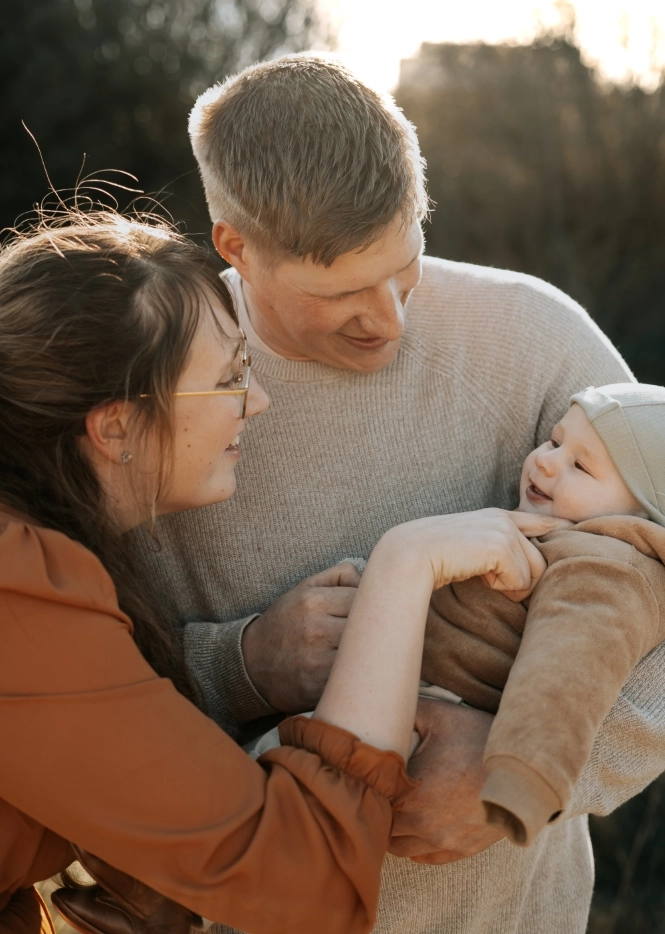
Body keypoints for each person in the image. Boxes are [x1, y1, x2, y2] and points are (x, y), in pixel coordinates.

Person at [130, 54, 665, 934]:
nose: (390, 320)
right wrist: (244, 661)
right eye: (340, 292)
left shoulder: (537, 335)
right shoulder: (159, 398)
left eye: (405, 267)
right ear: (234, 246)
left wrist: (529, 776)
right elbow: (91, 675)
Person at [0, 208, 558, 934]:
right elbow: (306, 882)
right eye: (230, 378)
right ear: (116, 427)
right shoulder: (21, 590)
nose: (256, 402)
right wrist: (403, 565)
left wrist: (248, 665)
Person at [256, 384, 665, 850]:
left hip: (431, 720)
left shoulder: (608, 569)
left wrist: (524, 776)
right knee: (262, 804)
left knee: (280, 821)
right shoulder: (562, 537)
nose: (546, 461)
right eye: (554, 442)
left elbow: (566, 673)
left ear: (644, 512)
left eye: (581, 465)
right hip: (392, 698)